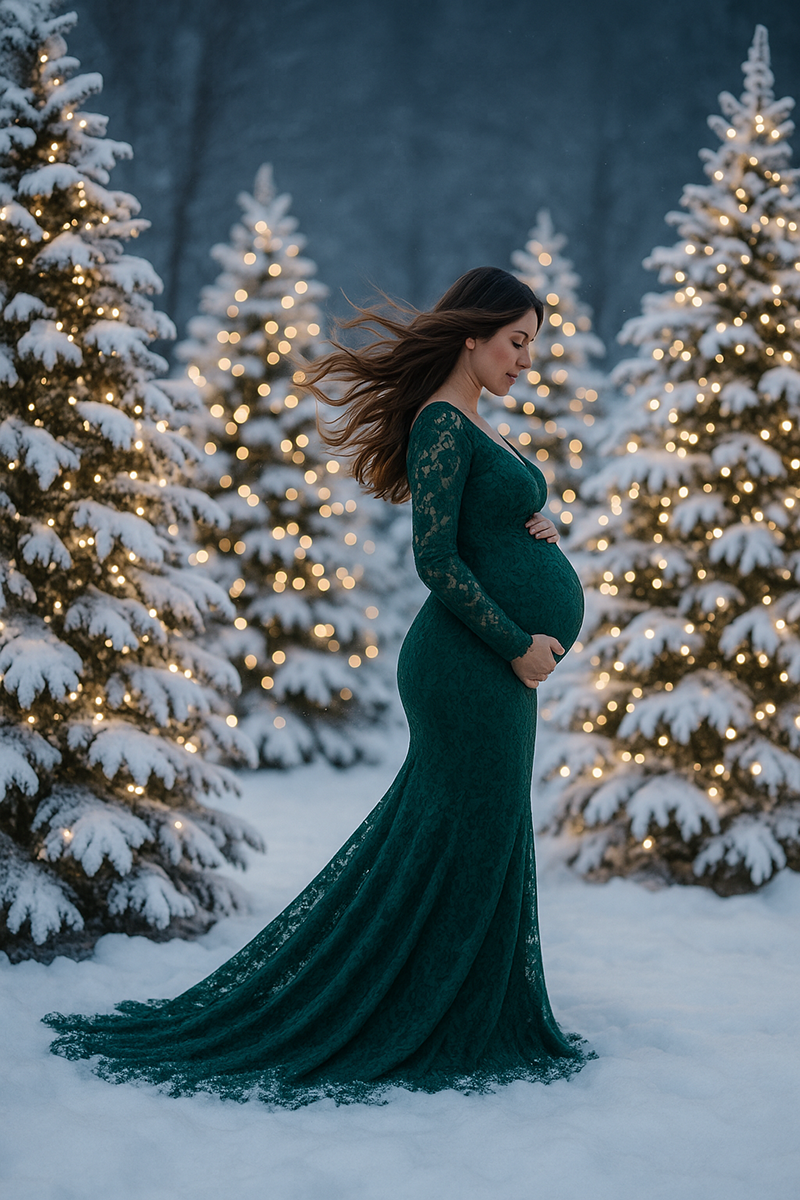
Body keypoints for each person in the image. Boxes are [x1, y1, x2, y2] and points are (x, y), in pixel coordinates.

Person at [44, 266, 594, 1106]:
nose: (527, 359)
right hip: (468, 666)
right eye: (517, 341)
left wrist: (536, 528)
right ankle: (424, 1010)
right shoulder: (442, 424)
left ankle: (466, 1003)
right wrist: (520, 642)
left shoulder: (473, 421)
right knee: (467, 831)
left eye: (533, 345)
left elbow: (479, 532)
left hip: (493, 665)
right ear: (472, 335)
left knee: (477, 834)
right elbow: (434, 560)